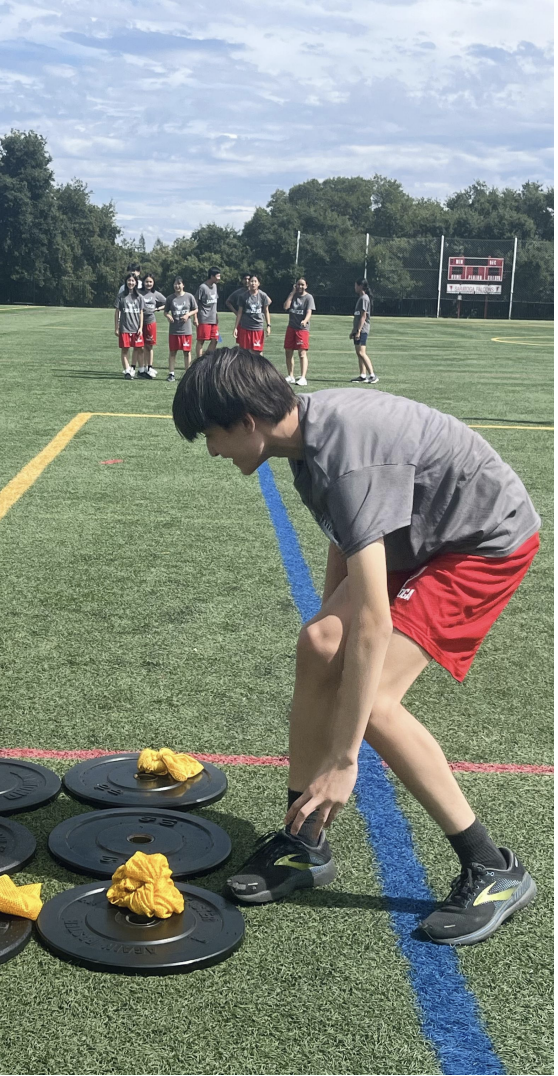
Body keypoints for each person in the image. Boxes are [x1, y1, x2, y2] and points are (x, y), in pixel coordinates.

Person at [172, 349, 540, 946]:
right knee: (319, 644)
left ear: (246, 421)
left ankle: (492, 868)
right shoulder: (303, 441)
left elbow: (372, 620)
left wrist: (344, 763)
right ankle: (303, 844)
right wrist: (327, 633)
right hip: (417, 534)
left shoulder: (345, 457)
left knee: (374, 705)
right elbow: (347, 543)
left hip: (479, 540)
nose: (212, 451)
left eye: (211, 436)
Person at [163, 276, 198, 381]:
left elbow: (196, 309)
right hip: (174, 330)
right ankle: (171, 374)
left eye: (179, 283)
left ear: (183, 285)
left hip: (186, 330)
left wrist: (188, 315)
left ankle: (187, 374)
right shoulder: (170, 298)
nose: (177, 286)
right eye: (175, 284)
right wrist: (168, 316)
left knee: (187, 352)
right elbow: (165, 311)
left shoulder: (189, 297)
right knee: (173, 352)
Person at [282, 278, 315, 385]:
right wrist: (292, 293)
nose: (300, 287)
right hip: (291, 327)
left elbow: (309, 312)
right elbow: (286, 307)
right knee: (288, 351)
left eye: (302, 285)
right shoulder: (293, 296)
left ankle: (303, 377)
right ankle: (290, 375)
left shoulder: (309, 298)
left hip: (302, 329)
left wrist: (305, 321)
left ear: (306, 286)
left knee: (302, 353)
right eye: (298, 285)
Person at [114, 272, 144, 379]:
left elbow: (141, 313)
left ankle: (132, 368)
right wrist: (116, 327)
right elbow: (117, 312)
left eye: (133, 280)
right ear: (126, 282)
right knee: (125, 349)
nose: (131, 282)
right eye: (129, 280)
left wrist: (140, 327)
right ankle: (127, 371)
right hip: (124, 328)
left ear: (136, 282)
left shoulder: (139, 297)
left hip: (136, 328)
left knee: (137, 348)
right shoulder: (121, 296)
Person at [233, 273, 270, 352]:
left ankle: (259, 365)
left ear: (259, 283)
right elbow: (239, 313)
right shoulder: (243, 296)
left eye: (255, 281)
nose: (253, 283)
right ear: (249, 283)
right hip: (245, 328)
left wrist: (268, 325)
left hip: (258, 328)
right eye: (251, 281)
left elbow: (266, 311)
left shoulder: (263, 295)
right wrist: (236, 328)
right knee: (244, 352)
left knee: (257, 352)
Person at [138, 274, 166, 379]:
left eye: (150, 282)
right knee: (140, 346)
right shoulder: (139, 293)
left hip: (150, 322)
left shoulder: (156, 294)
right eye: (146, 282)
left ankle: (149, 367)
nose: (148, 284)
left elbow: (168, 302)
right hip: (139, 323)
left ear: (153, 283)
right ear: (143, 282)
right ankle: (142, 367)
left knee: (149, 346)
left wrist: (158, 309)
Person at [351, 279, 378, 383]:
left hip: (362, 329)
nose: (355, 288)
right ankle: (362, 375)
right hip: (358, 329)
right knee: (359, 352)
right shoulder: (361, 298)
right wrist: (353, 330)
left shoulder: (364, 298)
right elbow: (357, 316)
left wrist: (358, 330)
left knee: (362, 353)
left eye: (356, 286)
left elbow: (363, 316)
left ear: (361, 286)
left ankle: (372, 375)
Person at [196, 268, 222, 357]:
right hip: (204, 318)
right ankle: (199, 361)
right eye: (218, 276)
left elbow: (214, 302)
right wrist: (195, 318)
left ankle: (206, 358)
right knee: (201, 340)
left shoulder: (215, 286)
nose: (219, 278)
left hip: (213, 319)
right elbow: (196, 303)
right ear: (212, 276)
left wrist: (216, 316)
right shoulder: (202, 287)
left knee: (215, 339)